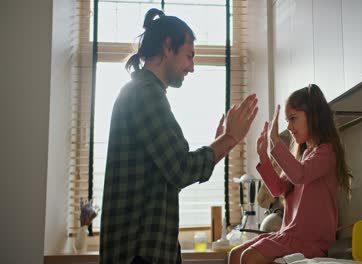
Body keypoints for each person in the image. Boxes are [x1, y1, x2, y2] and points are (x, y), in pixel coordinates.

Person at [99, 8, 258, 264]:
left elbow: (168, 169)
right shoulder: (146, 95)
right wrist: (229, 139)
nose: (192, 67)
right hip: (139, 253)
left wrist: (221, 142)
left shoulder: (142, 92)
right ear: (168, 47)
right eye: (189, 56)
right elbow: (180, 169)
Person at [229, 84, 352, 264]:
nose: (290, 127)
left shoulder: (326, 153)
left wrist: (276, 142)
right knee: (234, 254)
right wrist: (263, 155)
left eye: (293, 118)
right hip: (289, 235)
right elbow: (278, 189)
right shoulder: (304, 157)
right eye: (287, 120)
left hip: (311, 242)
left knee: (249, 258)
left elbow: (300, 175)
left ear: (313, 117)